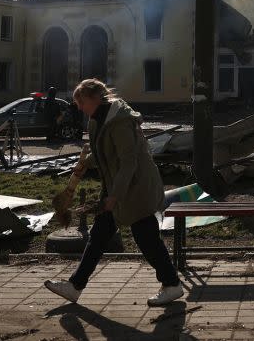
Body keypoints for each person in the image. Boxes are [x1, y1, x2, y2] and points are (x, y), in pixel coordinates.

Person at [44, 79, 183, 306]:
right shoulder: (98, 119)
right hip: (117, 185)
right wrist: (86, 162)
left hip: (136, 187)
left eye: (81, 101)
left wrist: (115, 196)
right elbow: (104, 150)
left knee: (145, 237)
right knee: (99, 235)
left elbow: (128, 162)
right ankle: (75, 286)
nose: (79, 107)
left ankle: (172, 284)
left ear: (96, 98)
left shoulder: (119, 122)